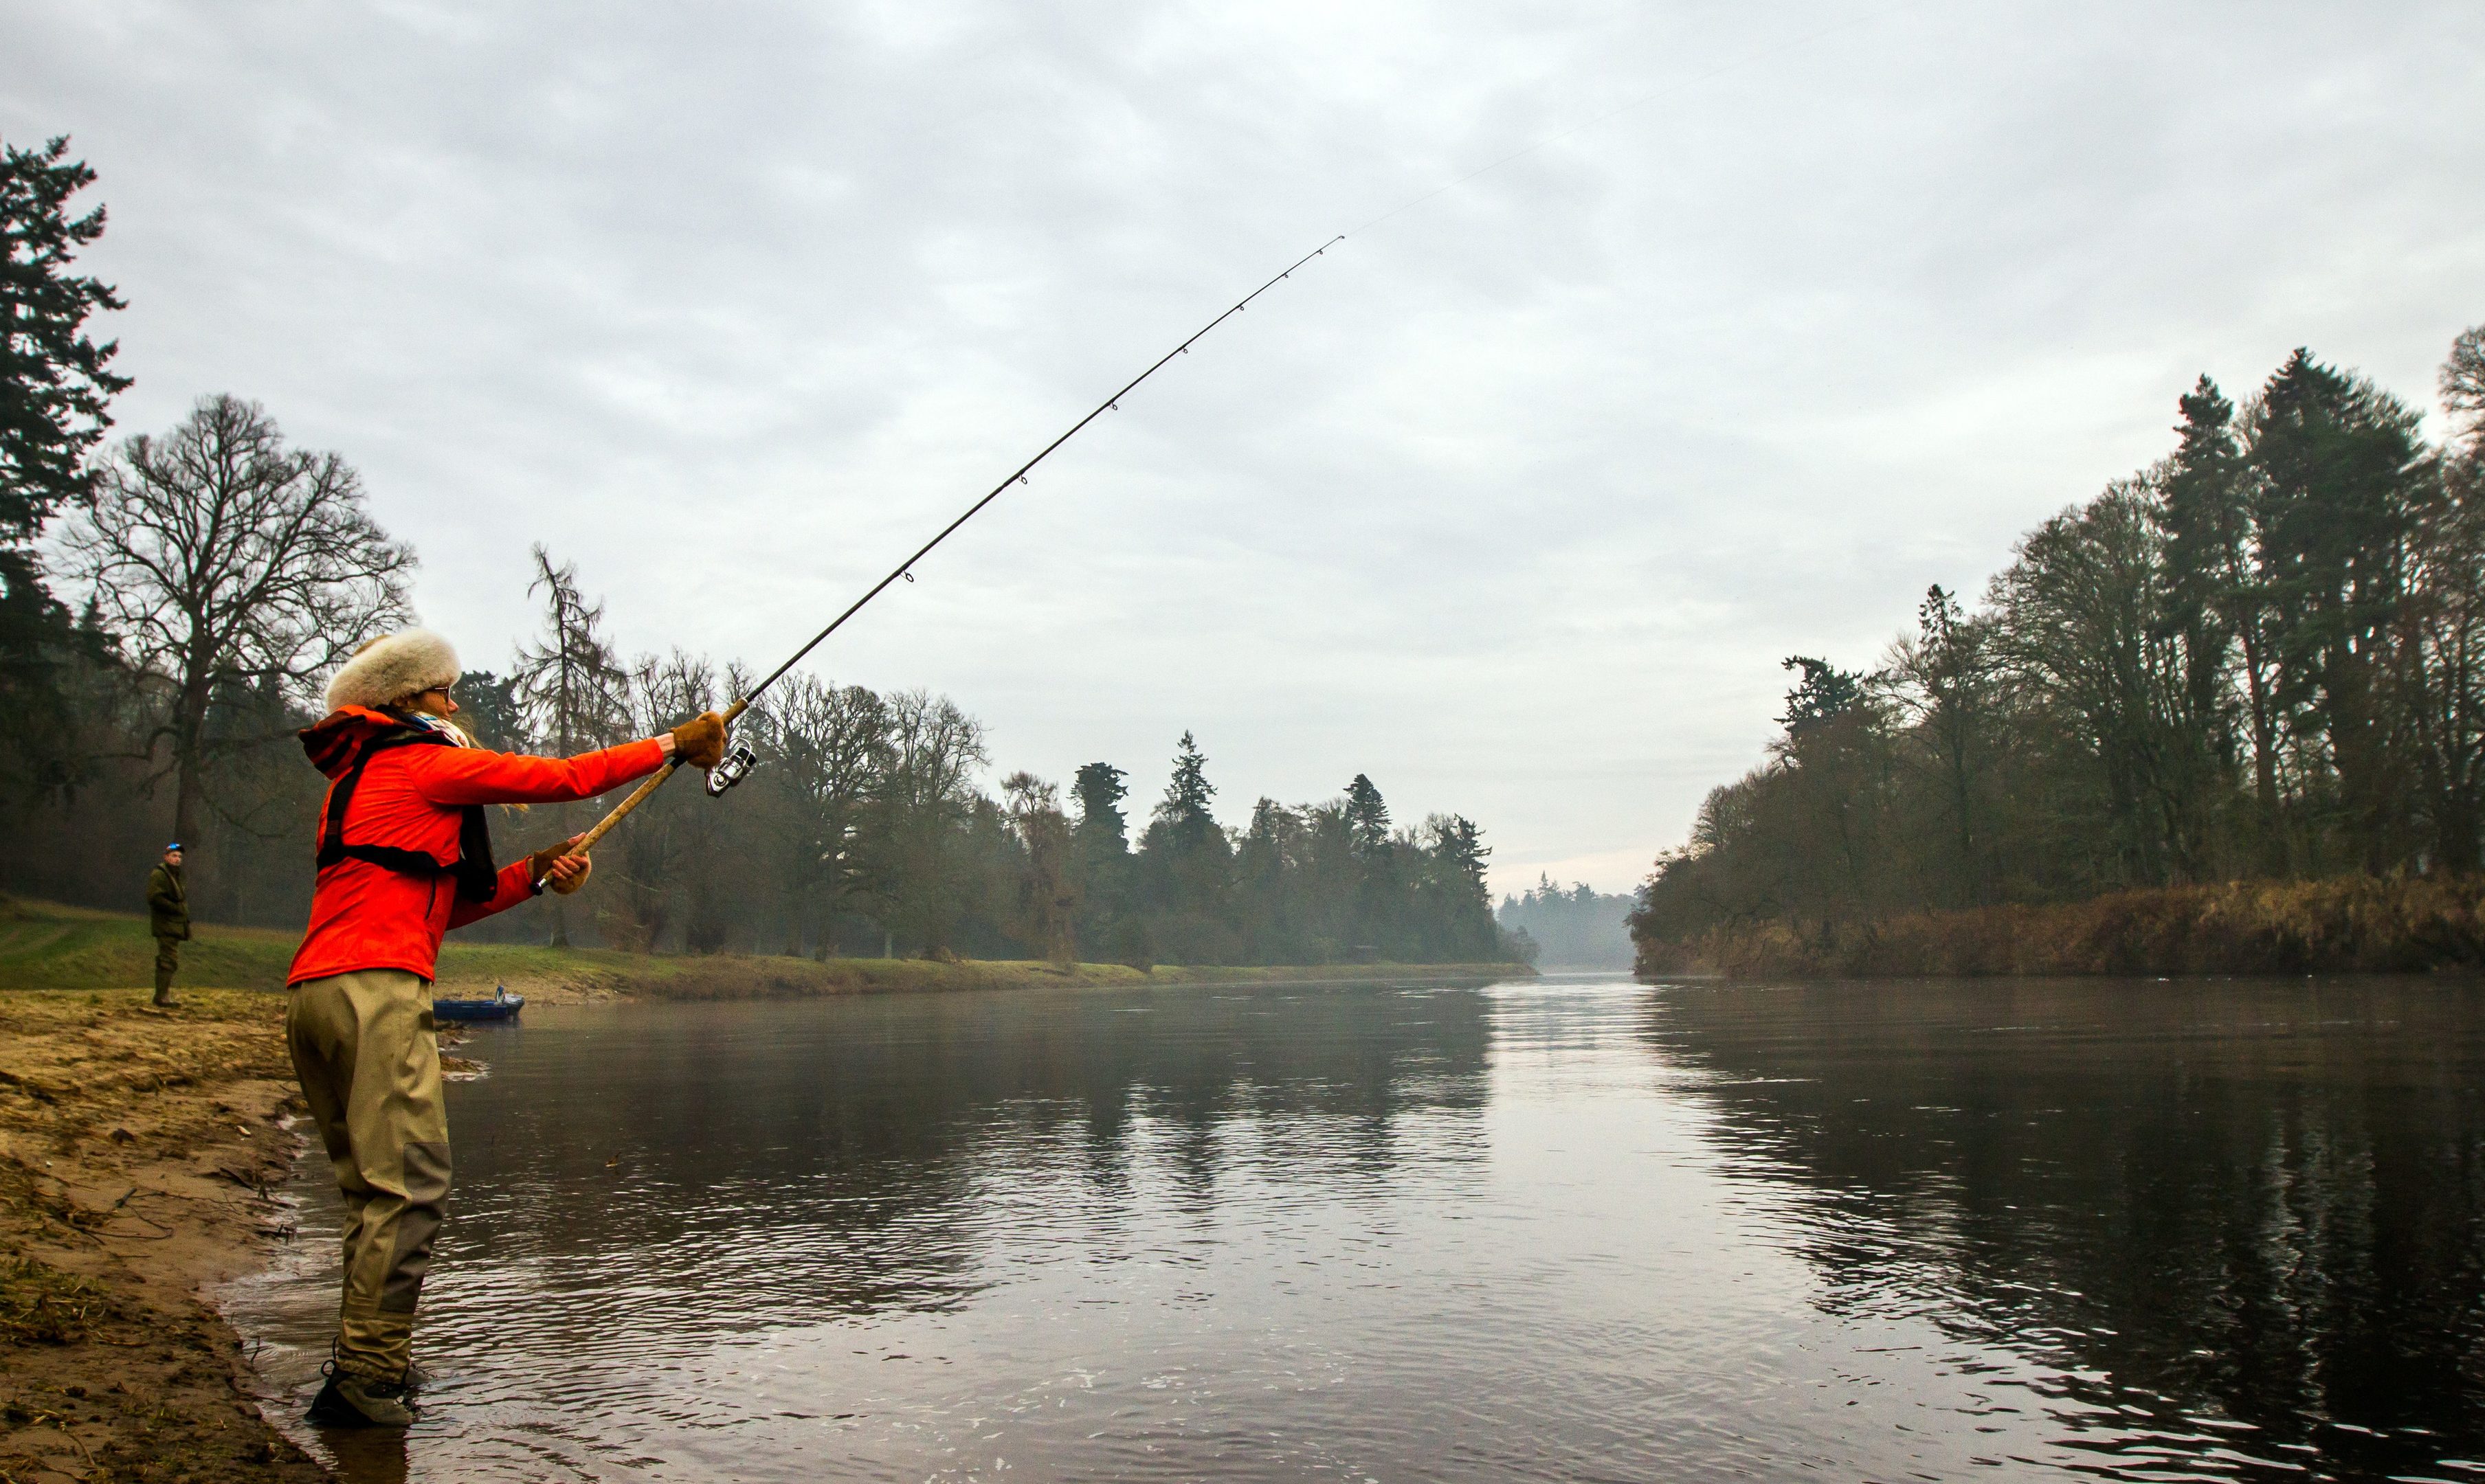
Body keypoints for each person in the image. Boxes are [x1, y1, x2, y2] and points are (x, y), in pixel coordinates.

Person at [287, 628, 725, 1428]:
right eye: (443, 692)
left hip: (317, 994)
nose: (456, 705)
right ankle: (367, 1382)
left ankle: (365, 1362)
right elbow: (561, 778)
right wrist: (672, 743)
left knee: (369, 1192)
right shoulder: (419, 758)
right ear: (406, 701)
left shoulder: (360, 780)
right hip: (375, 995)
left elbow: (440, 905)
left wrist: (534, 874)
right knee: (411, 1189)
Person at [144, 843, 189, 1007]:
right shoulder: (160, 874)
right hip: (166, 925)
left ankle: (163, 995)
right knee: (168, 960)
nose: (177, 859)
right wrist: (175, 908)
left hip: (174, 925)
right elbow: (154, 898)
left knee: (169, 960)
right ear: (166, 857)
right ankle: (162, 997)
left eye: (179, 857)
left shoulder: (175, 875)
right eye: (174, 856)